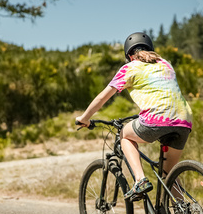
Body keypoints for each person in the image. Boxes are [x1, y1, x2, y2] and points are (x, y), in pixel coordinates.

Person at [76, 32, 192, 202]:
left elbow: (102, 98)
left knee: (125, 134)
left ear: (129, 55)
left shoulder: (129, 68)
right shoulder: (165, 64)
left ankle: (140, 180)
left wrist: (84, 118)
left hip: (156, 119)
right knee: (169, 172)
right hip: (184, 120)